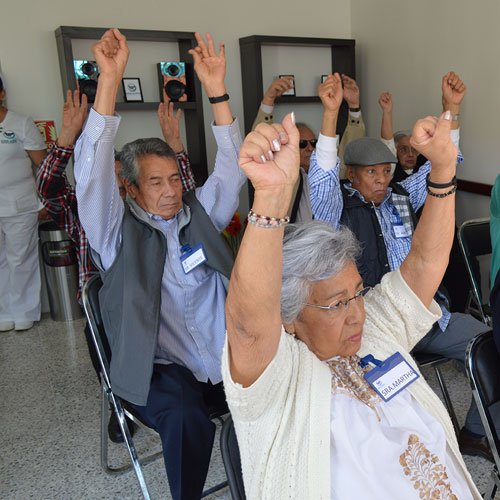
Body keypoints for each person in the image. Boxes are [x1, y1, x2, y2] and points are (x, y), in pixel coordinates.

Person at [222, 105, 481, 498]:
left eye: (358, 292)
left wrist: (443, 170)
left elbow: (424, 263)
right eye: (337, 303)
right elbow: (247, 326)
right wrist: (272, 198)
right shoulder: (279, 380)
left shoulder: (374, 328)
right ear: (288, 317)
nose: (358, 313)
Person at [73, 29, 246, 499]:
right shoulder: (113, 232)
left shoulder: (199, 213)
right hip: (162, 369)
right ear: (130, 188)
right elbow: (90, 176)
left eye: (174, 178)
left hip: (227, 358)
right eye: (155, 182)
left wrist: (216, 90)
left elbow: (233, 168)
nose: (170, 191)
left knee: (288, 383)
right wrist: (109, 81)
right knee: (186, 416)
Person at [310, 72, 494, 461]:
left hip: (424, 316)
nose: (381, 179)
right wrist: (330, 114)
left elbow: (441, 164)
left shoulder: (400, 196)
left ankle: (476, 433)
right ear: (351, 174)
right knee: (391, 396)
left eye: (386, 170)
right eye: (371, 172)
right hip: (372, 328)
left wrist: (451, 110)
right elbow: (322, 176)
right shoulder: (335, 207)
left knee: (490, 345)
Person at [36, 89, 197, 444]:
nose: (114, 194)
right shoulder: (84, 212)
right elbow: (47, 188)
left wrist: (174, 144)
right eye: (107, 187)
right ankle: (119, 399)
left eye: (120, 185)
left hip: (151, 297)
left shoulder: (152, 211)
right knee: (103, 340)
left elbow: (185, 193)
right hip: (107, 305)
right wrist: (66, 138)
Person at [251, 74, 365, 222]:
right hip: (289, 235)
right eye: (302, 144)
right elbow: (260, 145)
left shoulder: (328, 173)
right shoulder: (282, 176)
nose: (310, 148)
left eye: (313, 142)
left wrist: (354, 106)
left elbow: (351, 149)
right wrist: (268, 99)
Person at [0, 74, 47, 332]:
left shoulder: (20, 123)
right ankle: (4, 312)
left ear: (2, 94)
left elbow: (43, 166)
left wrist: (45, 201)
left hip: (21, 205)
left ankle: (24, 311)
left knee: (21, 260)